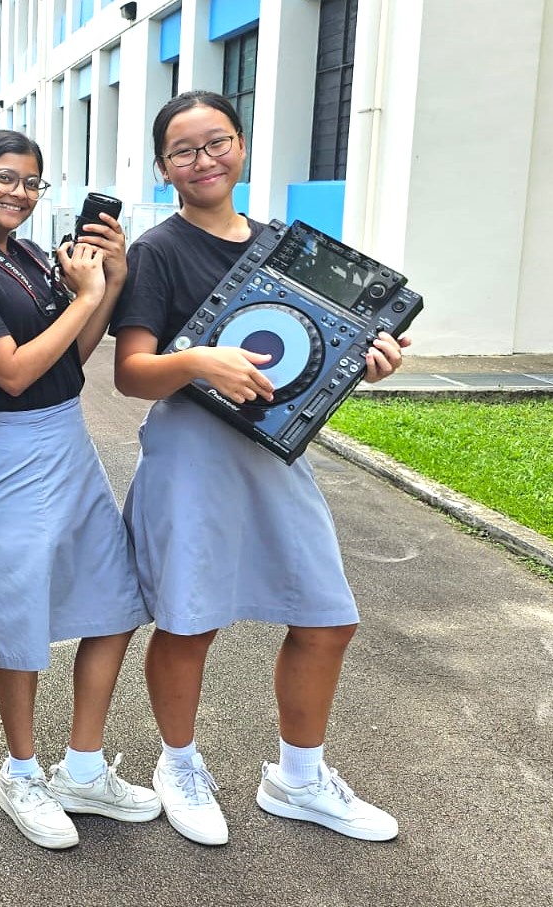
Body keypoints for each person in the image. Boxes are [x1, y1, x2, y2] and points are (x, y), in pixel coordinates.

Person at [110, 90, 408, 846]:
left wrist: (368, 362)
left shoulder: (289, 248)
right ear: (163, 169)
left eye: (217, 142)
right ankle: (179, 765)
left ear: (241, 146)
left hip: (274, 453)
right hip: (192, 454)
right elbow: (131, 372)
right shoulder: (158, 251)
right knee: (190, 619)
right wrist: (197, 361)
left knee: (327, 616)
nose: (203, 160)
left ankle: (298, 779)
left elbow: (318, 354)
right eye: (183, 150)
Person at [0, 129, 161, 850]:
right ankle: (22, 772)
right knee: (18, 618)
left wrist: (109, 283)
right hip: (8, 449)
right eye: (5, 177)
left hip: (68, 441)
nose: (20, 192)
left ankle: (83, 768)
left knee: (116, 599)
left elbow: (69, 360)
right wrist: (85, 297)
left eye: (32, 182)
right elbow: (12, 372)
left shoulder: (28, 255)